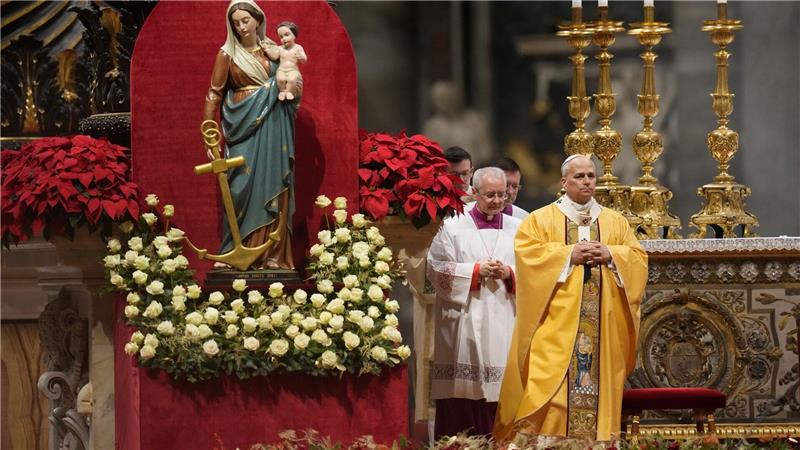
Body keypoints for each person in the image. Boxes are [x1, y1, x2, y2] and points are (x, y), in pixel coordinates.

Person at [494, 154, 648, 443]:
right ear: (564, 182)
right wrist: (568, 255)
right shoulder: (540, 220)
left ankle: (599, 443)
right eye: (579, 176)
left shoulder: (615, 222)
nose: (587, 181)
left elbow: (638, 259)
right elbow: (528, 257)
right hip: (555, 327)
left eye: (591, 175)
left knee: (597, 384)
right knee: (549, 387)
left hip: (601, 327)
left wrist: (612, 254)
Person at [426, 167, 521, 438]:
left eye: (502, 195)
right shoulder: (452, 224)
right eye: (490, 195)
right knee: (464, 393)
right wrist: (475, 271)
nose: (497, 201)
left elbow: (535, 270)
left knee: (504, 390)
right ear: (474, 192)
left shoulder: (521, 228)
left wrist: (510, 273)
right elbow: (435, 269)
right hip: (464, 320)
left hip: (506, 316)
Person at [203, 0, 297, 270]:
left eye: (245, 20)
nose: (241, 27)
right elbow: (214, 93)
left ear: (258, 19)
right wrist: (209, 131)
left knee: (275, 186)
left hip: (274, 123)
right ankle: (235, 250)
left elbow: (291, 78)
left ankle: (273, 257)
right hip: (240, 125)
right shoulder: (227, 54)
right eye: (236, 23)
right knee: (239, 188)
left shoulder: (272, 52)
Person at [423, 80, 493, 166]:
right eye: (441, 99)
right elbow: (432, 156)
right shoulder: (433, 126)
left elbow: (486, 151)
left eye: (449, 97)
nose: (446, 102)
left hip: (477, 170)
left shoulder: (474, 119)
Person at [262, 21, 307, 102]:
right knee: (280, 79)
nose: (284, 39)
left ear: (294, 35)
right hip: (281, 69)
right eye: (281, 37)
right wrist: (267, 50)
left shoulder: (298, 48)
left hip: (293, 70)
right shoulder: (280, 48)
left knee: (292, 79)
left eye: (286, 35)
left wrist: (301, 57)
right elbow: (274, 57)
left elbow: (304, 60)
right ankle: (283, 91)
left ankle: (289, 91)